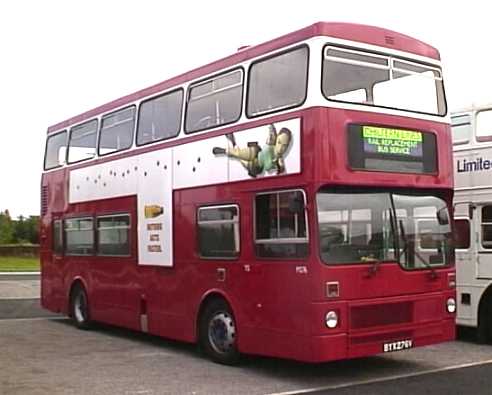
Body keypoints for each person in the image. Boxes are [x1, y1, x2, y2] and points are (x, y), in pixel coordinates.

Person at [212, 124, 292, 177]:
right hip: (257, 152)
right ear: (277, 139)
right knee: (240, 154)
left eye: (284, 145)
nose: (281, 147)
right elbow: (271, 130)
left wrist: (279, 166)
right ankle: (225, 150)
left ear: (288, 146)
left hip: (257, 166)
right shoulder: (271, 142)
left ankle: (233, 143)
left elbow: (279, 174)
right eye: (279, 142)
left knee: (243, 160)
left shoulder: (279, 162)